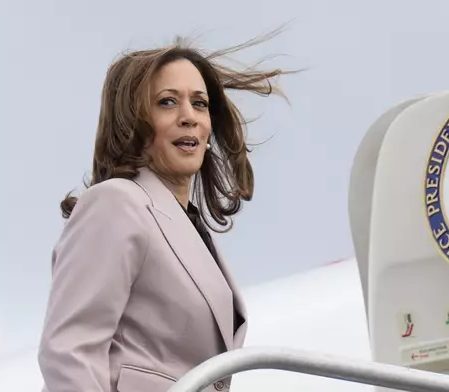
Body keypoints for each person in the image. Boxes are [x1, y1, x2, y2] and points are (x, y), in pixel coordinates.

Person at [37, 32, 290, 392]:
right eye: (168, 102)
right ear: (132, 120)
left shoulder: (188, 227)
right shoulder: (116, 203)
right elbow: (69, 352)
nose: (189, 117)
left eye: (200, 104)